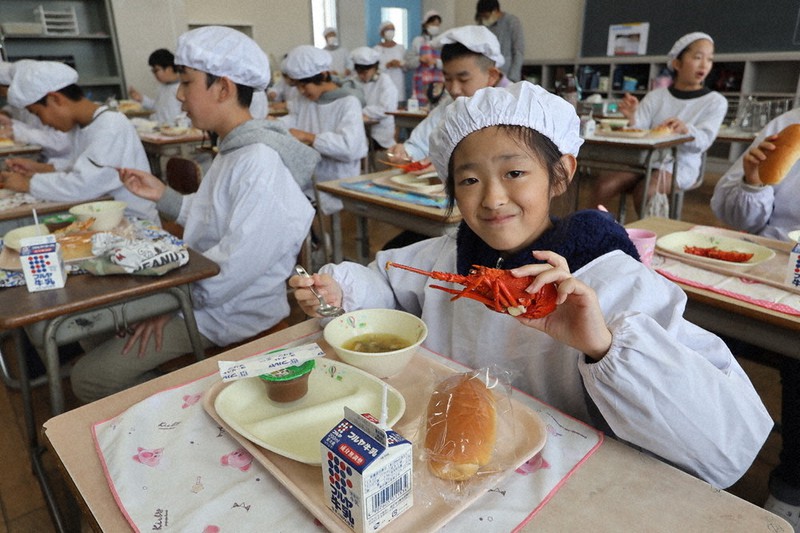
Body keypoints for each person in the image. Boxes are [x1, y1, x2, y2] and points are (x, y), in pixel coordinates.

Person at [289, 81, 772, 489]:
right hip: (452, 467)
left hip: (573, 482)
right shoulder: (448, 254)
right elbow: (388, 285)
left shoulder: (615, 280)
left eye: (515, 172)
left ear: (560, 174)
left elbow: (728, 452)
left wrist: (603, 348)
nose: (493, 198)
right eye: (469, 180)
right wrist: (342, 290)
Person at [69, 26, 319, 403]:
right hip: (206, 292)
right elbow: (213, 219)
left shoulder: (259, 161)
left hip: (230, 311)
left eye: (187, 82)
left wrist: (170, 305)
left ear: (224, 88)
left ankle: (181, 408)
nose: (180, 95)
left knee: (89, 378)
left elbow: (235, 265)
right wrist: (163, 195)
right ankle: (169, 390)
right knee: (87, 325)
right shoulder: (236, 149)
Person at [710, 106, 800, 529]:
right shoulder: (787, 127)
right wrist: (752, 180)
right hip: (757, 274)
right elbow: (736, 218)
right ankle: (694, 452)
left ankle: (790, 490)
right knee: (689, 330)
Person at [0, 60, 158, 222]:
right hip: (106, 217)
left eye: (38, 114)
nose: (44, 123)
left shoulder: (110, 125)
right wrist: (41, 168)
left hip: (134, 220)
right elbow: (80, 166)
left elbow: (86, 184)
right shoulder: (83, 126)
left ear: (55, 99)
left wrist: (28, 183)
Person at [590, 32, 727, 218]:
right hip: (644, 160)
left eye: (709, 59)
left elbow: (704, 141)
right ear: (677, 63)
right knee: (603, 185)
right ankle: (588, 233)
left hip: (681, 164)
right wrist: (632, 118)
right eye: (697, 57)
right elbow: (640, 129)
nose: (704, 65)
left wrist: (686, 130)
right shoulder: (657, 96)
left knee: (646, 191)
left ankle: (649, 242)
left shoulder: (715, 101)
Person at [388, 25, 505, 164]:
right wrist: (406, 152)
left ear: (491, 75)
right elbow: (422, 143)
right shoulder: (450, 106)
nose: (454, 89)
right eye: (448, 79)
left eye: (463, 79)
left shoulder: (516, 108)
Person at [279, 44, 368, 216]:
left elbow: (351, 148)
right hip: (308, 180)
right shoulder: (302, 99)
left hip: (338, 183)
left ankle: (317, 239)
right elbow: (294, 120)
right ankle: (314, 240)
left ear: (323, 75)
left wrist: (310, 137)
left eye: (305, 85)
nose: (301, 91)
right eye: (297, 86)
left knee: (293, 211)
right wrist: (275, 124)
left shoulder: (347, 102)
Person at [0, 60, 73, 162]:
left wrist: (15, 131)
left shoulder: (97, 127)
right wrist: (7, 117)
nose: (44, 121)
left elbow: (59, 144)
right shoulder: (38, 103)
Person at [345, 47, 397, 156]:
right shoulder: (354, 81)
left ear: (375, 68)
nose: (362, 76)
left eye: (365, 72)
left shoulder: (384, 81)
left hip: (380, 133)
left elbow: (386, 109)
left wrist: (362, 112)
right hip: (361, 128)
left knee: (357, 145)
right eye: (359, 73)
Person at [128, 48, 183, 126]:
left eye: (156, 70)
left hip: (173, 130)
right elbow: (157, 107)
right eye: (153, 71)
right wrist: (141, 99)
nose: (154, 75)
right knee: (132, 122)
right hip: (159, 128)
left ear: (169, 69)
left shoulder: (182, 88)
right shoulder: (162, 87)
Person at [475, 0, 525, 82]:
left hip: (507, 74)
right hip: (487, 74)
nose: (485, 19)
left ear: (495, 11)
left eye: (486, 16)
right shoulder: (482, 25)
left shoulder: (511, 22)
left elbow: (518, 51)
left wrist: (513, 77)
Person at [405, 10, 444, 106]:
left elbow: (448, 63)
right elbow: (408, 63)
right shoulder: (417, 41)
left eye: (437, 24)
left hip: (438, 82)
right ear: (425, 24)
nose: (435, 27)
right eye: (433, 23)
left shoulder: (443, 41)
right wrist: (419, 59)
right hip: (421, 82)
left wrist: (436, 62)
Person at [374, 21, 407, 104]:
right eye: (388, 29)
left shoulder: (400, 48)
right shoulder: (376, 49)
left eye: (393, 29)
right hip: (382, 86)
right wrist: (387, 65)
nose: (391, 32)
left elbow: (407, 66)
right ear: (382, 32)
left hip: (399, 86)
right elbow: (374, 70)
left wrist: (400, 64)